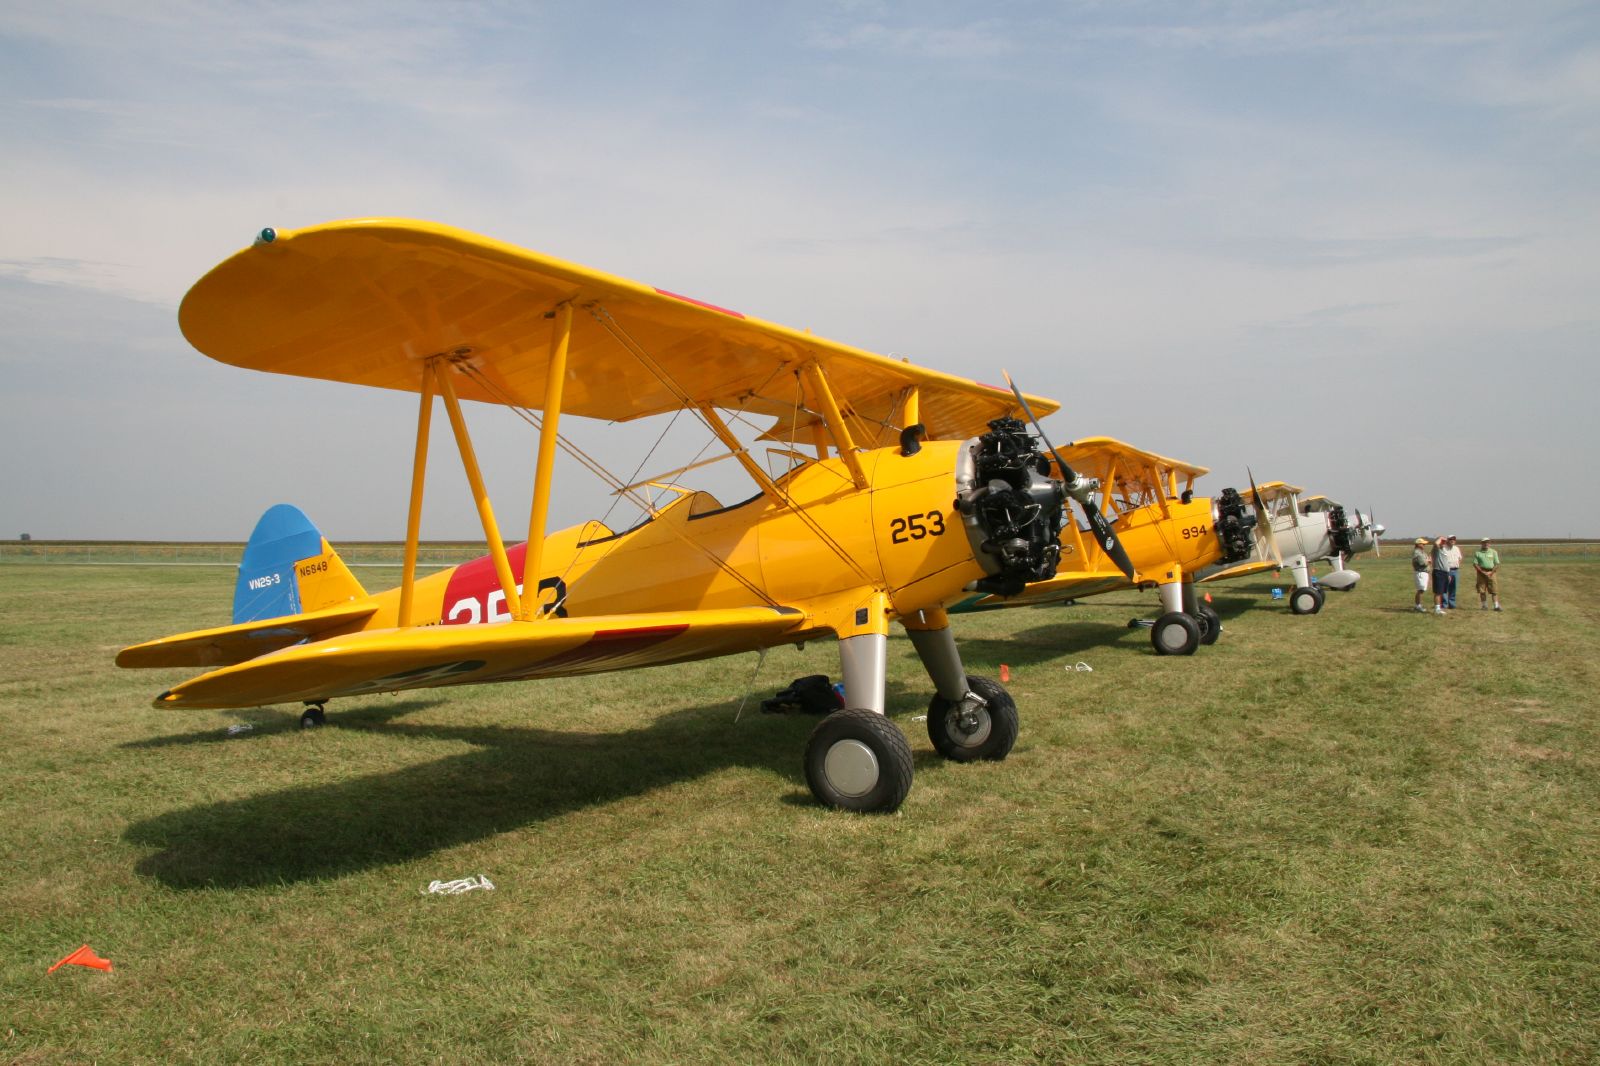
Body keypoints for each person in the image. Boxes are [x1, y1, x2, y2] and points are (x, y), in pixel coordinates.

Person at [1474, 537, 1502, 611]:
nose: (1486, 544)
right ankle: (1484, 606)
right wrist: (1482, 572)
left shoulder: (1493, 552)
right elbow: (1475, 564)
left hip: (1491, 573)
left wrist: (1491, 572)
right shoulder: (1478, 553)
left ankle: (1496, 606)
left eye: (1487, 542)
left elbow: (1497, 564)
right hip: (1481, 573)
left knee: (1494, 590)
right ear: (1481, 543)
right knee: (1482, 590)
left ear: (1489, 543)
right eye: (1484, 542)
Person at [1431, 536, 1451, 615]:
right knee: (1438, 592)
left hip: (1445, 573)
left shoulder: (1444, 550)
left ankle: (1439, 607)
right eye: (1442, 541)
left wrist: (1448, 574)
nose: (1444, 543)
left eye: (1444, 542)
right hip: (1438, 572)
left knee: (1442, 592)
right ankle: (1437, 609)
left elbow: (1446, 563)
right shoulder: (1437, 549)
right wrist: (1440, 538)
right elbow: (1436, 543)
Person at [1411, 537, 1431, 612]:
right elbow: (1423, 563)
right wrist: (1429, 561)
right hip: (1421, 573)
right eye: (1423, 544)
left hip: (1424, 572)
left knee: (1422, 589)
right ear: (1418, 544)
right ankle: (1418, 605)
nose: (1424, 545)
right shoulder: (1417, 552)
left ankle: (1418, 605)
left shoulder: (1422, 552)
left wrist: (1428, 560)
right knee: (1421, 589)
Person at [1443, 535, 1462, 608]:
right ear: (1447, 540)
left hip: (1455, 570)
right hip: (1446, 570)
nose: (1452, 540)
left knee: (1454, 588)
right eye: (1451, 539)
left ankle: (1452, 604)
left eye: (1454, 539)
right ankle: (1444, 604)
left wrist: (1458, 565)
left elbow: (1460, 558)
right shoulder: (1444, 548)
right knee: (1445, 588)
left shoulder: (1457, 548)